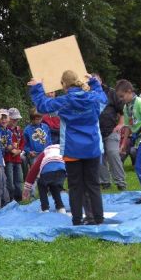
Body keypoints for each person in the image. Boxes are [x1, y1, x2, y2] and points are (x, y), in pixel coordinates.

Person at [29, 70, 107, 225]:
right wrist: (94, 82)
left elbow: (43, 106)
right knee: (93, 184)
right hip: (92, 148)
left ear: (63, 84)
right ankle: (98, 218)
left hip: (73, 149)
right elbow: (103, 98)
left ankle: (77, 220)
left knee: (75, 186)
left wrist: (37, 87)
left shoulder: (64, 101)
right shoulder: (93, 98)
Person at [93, 73, 127, 191]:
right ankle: (105, 181)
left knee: (113, 153)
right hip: (95, 132)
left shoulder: (111, 93)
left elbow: (122, 110)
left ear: (101, 81)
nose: (94, 82)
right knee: (98, 156)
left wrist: (121, 124)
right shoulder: (88, 94)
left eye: (96, 80)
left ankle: (120, 182)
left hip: (111, 130)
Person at [22, 144, 66, 213]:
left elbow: (34, 170)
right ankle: (61, 207)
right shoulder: (64, 150)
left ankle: (45, 208)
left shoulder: (45, 152)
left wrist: (26, 189)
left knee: (41, 185)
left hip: (47, 171)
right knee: (55, 186)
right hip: (61, 171)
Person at [5, 110, 25, 202]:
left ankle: (19, 198)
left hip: (17, 159)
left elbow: (23, 142)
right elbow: (4, 142)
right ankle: (10, 198)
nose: (15, 121)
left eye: (17, 119)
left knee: (19, 179)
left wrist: (19, 150)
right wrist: (12, 150)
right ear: (9, 118)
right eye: (13, 119)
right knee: (10, 180)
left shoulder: (19, 130)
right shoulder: (5, 130)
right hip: (8, 158)